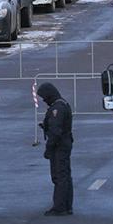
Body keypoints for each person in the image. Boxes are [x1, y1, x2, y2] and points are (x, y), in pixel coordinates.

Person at [37, 82, 73, 216]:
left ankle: (60, 207)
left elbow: (56, 131)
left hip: (59, 146)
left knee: (59, 176)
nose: (44, 100)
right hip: (64, 144)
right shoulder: (62, 104)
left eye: (44, 97)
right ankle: (66, 205)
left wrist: (48, 149)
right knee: (65, 175)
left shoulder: (57, 108)